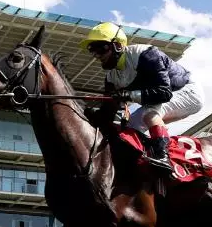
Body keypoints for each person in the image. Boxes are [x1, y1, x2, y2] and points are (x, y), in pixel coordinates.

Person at [79, 21, 205, 172]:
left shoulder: (147, 55)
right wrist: (86, 113)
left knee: (149, 113)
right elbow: (108, 113)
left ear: (118, 46)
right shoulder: (111, 77)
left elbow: (164, 93)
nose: (97, 56)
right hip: (162, 98)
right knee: (130, 127)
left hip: (188, 92)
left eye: (101, 48)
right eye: (93, 50)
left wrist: (130, 95)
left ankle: (162, 155)